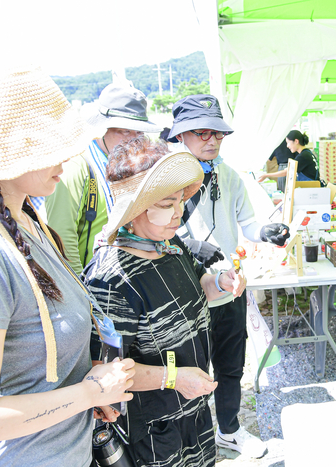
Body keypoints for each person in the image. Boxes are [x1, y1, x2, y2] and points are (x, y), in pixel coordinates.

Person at [0, 58, 135, 466]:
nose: (69, 157)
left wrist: (88, 392)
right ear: (7, 152)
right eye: (50, 146)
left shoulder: (28, 219)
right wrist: (89, 393)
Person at [83, 137, 246, 467]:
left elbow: (199, 284)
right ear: (135, 209)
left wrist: (221, 282)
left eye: (180, 201)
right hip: (153, 432)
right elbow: (104, 371)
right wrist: (175, 379)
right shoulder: (111, 277)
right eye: (166, 204)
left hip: (194, 412)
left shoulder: (170, 245)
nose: (179, 212)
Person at [167, 94, 290, 458]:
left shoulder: (228, 175)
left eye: (217, 133)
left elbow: (247, 223)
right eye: (201, 132)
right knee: (189, 370)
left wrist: (265, 231)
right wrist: (187, 245)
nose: (211, 140)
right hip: (183, 292)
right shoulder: (166, 176)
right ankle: (191, 439)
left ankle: (230, 429)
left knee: (230, 364)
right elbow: (150, 230)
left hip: (229, 286)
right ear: (181, 136)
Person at [46, 81, 161, 274]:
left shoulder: (133, 163)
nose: (134, 139)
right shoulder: (76, 166)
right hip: (95, 280)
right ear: (103, 127)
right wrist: (83, 292)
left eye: (139, 131)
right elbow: (62, 236)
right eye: (125, 131)